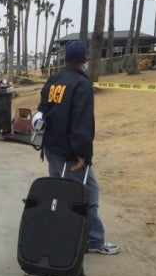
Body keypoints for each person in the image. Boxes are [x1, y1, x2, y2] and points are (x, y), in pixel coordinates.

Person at [37, 41, 119, 255]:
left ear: (65, 59)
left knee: (60, 193)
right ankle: (92, 239)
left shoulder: (55, 79)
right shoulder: (82, 84)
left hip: (52, 147)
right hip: (70, 152)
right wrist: (83, 153)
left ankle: (62, 232)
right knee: (86, 193)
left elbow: (42, 109)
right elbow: (81, 121)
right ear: (84, 60)